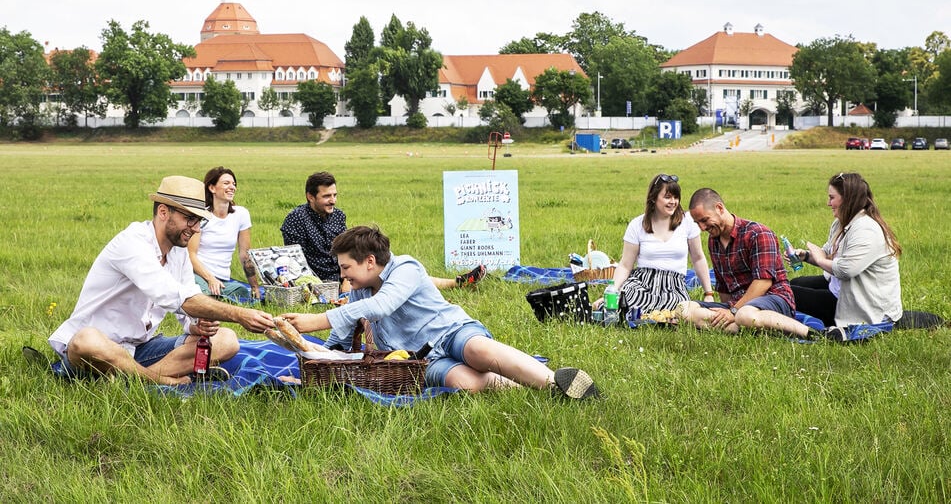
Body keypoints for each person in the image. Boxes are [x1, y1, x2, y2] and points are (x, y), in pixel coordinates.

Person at [283, 226, 600, 399]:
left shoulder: (404, 267)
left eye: (346, 268)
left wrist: (316, 320)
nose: (343, 276)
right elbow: (337, 347)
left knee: (477, 350)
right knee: (467, 384)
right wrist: (299, 345)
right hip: (419, 359)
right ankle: (537, 392)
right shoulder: (359, 292)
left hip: (450, 332)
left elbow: (383, 306)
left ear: (369, 260)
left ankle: (554, 384)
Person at [49, 176, 274, 385]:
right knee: (86, 340)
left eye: (198, 222)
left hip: (141, 348)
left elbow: (188, 307)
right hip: (98, 351)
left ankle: (138, 377)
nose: (195, 229)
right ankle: (161, 379)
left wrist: (196, 325)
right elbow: (176, 298)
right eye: (189, 219)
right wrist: (241, 314)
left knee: (227, 340)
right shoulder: (133, 243)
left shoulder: (178, 252)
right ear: (164, 212)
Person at [280, 171, 485, 288]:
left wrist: (348, 275)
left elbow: (347, 251)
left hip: (348, 272)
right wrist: (341, 280)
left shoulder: (339, 216)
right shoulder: (296, 219)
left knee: (395, 266)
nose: (332, 200)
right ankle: (456, 283)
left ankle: (457, 282)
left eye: (335, 195)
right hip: (322, 281)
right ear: (310, 196)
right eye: (326, 196)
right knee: (392, 278)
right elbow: (296, 264)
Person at [679, 188, 810, 337]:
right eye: (697, 223)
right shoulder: (713, 241)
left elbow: (763, 282)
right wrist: (727, 313)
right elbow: (724, 288)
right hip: (737, 305)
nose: (702, 228)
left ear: (719, 208)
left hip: (772, 298)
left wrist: (733, 312)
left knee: (745, 315)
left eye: (704, 220)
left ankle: (811, 333)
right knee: (684, 309)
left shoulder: (758, 233)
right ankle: (755, 329)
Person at [791, 172, 902, 328]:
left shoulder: (866, 229)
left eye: (831, 198)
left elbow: (846, 270)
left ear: (848, 199)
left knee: (789, 293)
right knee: (795, 283)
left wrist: (820, 259)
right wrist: (806, 256)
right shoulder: (841, 223)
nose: (828, 203)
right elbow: (829, 255)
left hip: (864, 305)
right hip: (842, 288)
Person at [594, 173, 714, 314]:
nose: (673, 202)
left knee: (680, 309)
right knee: (625, 302)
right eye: (667, 197)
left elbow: (698, 258)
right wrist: (612, 291)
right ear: (654, 198)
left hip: (673, 285)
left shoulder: (688, 222)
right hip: (643, 282)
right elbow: (625, 265)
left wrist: (709, 294)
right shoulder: (637, 225)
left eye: (676, 197)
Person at [188, 166, 261, 300]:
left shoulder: (241, 214)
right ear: (212, 188)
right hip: (198, 275)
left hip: (223, 281)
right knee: (203, 296)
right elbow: (191, 254)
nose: (232, 187)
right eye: (226, 183)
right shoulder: (202, 216)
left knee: (243, 293)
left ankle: (217, 296)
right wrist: (210, 279)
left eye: (234, 184)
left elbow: (245, 255)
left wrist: (254, 287)